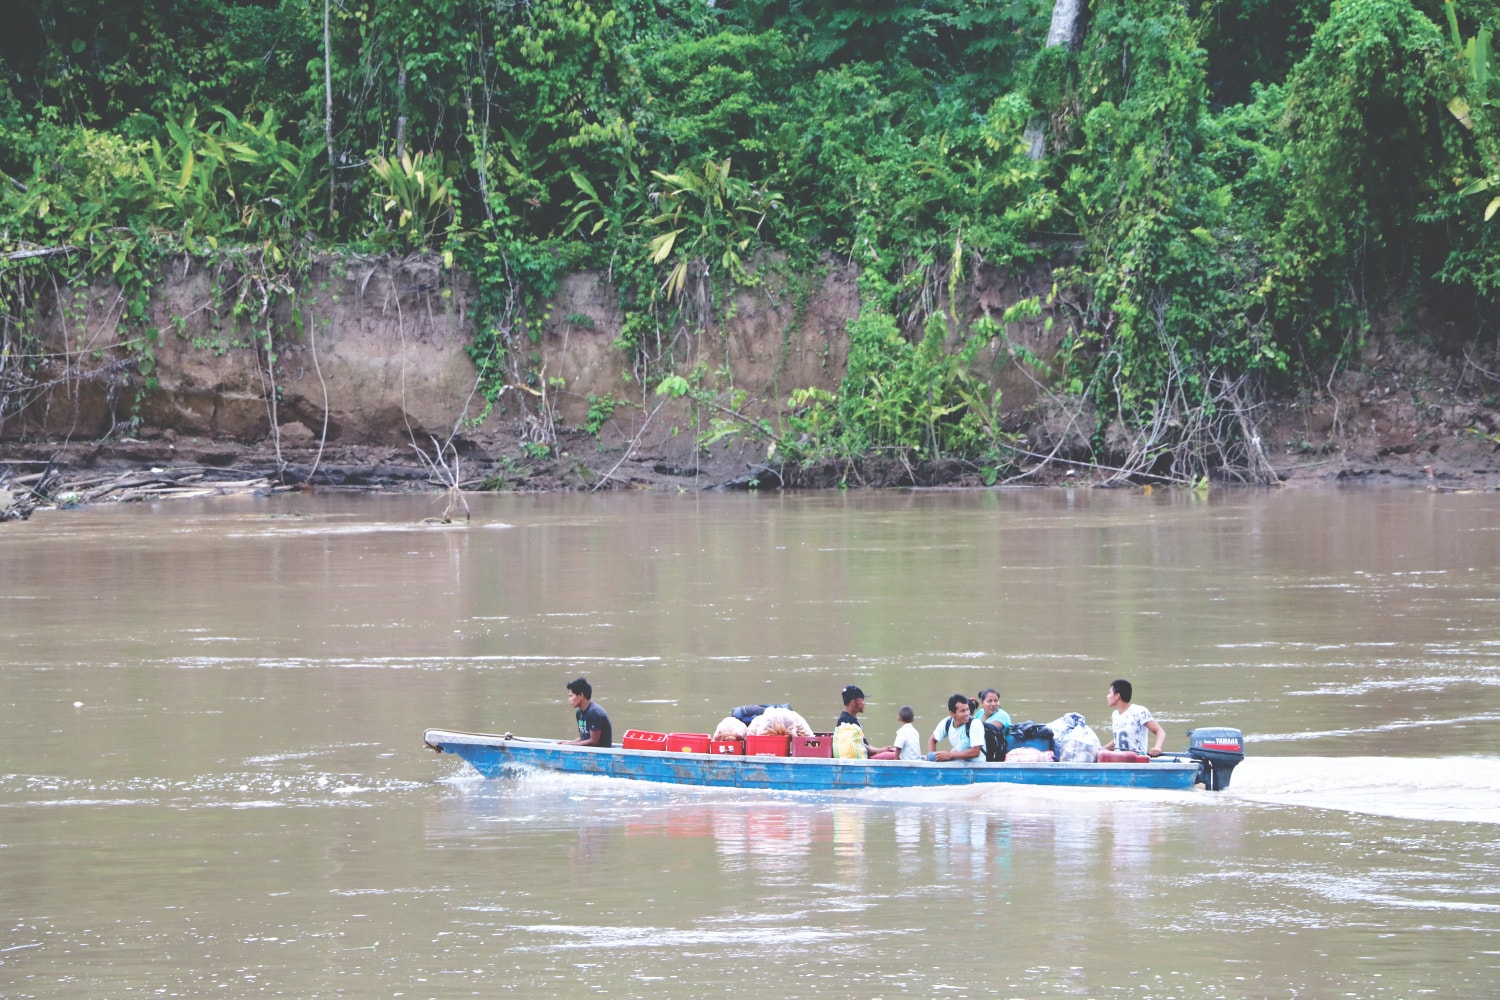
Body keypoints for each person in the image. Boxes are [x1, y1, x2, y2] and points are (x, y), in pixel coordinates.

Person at [1104, 678, 1164, 757]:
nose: (1107, 696)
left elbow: (1159, 731)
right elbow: (1118, 741)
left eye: (1110, 693)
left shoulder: (1139, 711)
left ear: (1117, 696)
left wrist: (1157, 747)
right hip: (1119, 759)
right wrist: (1101, 749)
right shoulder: (1114, 715)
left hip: (1137, 760)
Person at [835, 684, 899, 759]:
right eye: (862, 700)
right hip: (863, 760)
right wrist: (881, 750)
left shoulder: (850, 719)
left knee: (895, 752)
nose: (865, 703)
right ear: (853, 702)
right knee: (897, 755)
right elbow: (862, 747)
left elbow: (863, 744)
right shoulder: (845, 721)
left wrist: (883, 750)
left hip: (867, 756)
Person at [926, 693, 985, 761]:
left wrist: (950, 755)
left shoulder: (975, 724)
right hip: (959, 764)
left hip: (978, 767)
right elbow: (932, 740)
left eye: (967, 709)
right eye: (962, 711)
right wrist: (931, 760)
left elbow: (975, 752)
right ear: (952, 713)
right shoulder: (946, 723)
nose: (967, 713)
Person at [564, 677, 612, 747]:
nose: (569, 699)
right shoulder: (579, 713)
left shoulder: (595, 713)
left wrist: (570, 744)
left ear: (581, 695)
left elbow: (593, 741)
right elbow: (582, 738)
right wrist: (567, 743)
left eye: (571, 696)